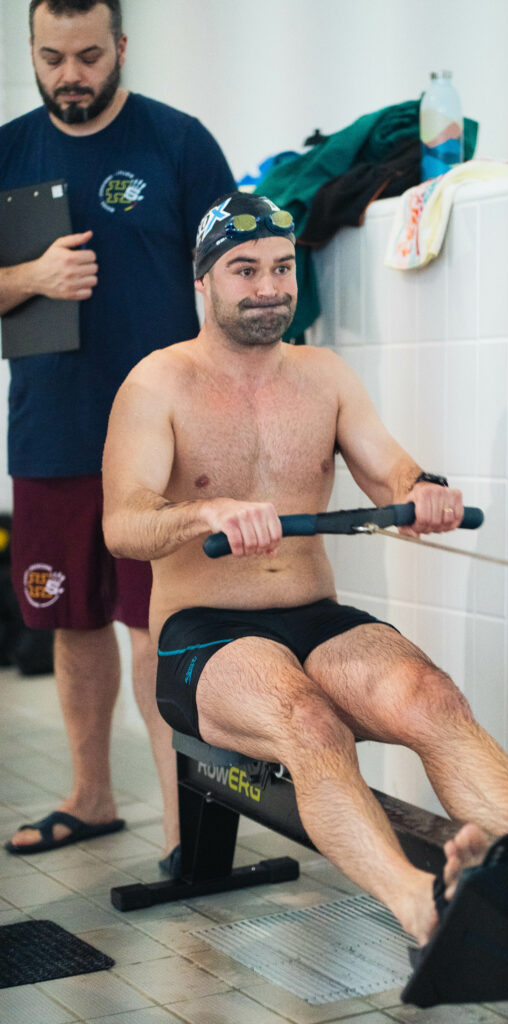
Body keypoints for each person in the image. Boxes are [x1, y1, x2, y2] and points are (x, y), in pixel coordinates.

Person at [101, 191, 508, 945]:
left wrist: (422, 492)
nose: (268, 287)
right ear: (202, 280)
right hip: (205, 633)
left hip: (316, 618)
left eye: (282, 267)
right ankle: (419, 903)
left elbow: (392, 473)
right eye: (244, 269)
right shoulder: (157, 383)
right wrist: (205, 513)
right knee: (310, 723)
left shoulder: (323, 375)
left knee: (432, 699)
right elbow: (123, 526)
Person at [1, 0, 236, 866]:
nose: (71, 75)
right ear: (31, 49)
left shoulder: (178, 143)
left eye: (89, 56)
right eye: (53, 57)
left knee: (156, 626)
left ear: (121, 47)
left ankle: (183, 833)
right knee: (72, 620)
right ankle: (91, 797)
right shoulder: (9, 151)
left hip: (162, 440)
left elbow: (232, 274)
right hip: (51, 428)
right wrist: (31, 276)